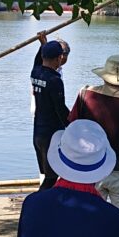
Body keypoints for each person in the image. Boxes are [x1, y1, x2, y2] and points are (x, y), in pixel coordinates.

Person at [68, 54, 119, 235]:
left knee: (89, 216)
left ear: (104, 75)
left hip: (90, 168)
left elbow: (72, 126)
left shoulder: (85, 94)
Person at [30, 40, 69, 189]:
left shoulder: (35, 73)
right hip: (51, 135)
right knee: (51, 178)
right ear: (59, 58)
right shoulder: (55, 80)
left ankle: (46, 205)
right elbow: (60, 109)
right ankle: (38, 204)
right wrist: (74, 125)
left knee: (47, 174)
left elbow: (37, 60)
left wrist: (42, 44)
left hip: (38, 133)